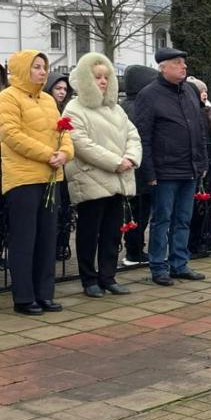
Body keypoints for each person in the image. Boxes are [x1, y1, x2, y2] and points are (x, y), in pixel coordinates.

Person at [0, 51, 74, 314]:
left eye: (44, 67)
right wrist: (48, 154)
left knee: (47, 237)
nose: (43, 72)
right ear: (22, 69)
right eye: (37, 67)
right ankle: (23, 297)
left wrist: (65, 152)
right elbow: (11, 134)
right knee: (24, 238)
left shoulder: (48, 100)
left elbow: (63, 130)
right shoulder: (8, 97)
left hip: (51, 176)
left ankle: (44, 293)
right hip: (23, 179)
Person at [62, 53, 142, 297]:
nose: (103, 81)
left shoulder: (115, 109)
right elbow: (81, 144)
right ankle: (89, 279)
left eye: (106, 77)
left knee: (112, 233)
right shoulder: (74, 108)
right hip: (90, 180)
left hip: (117, 179)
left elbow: (133, 135)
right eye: (97, 77)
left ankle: (108, 277)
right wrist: (116, 162)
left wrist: (131, 158)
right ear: (87, 79)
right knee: (88, 232)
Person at [133, 48, 209, 286]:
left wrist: (202, 162)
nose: (183, 66)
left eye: (184, 62)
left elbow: (199, 129)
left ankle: (179, 263)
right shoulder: (149, 95)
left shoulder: (189, 91)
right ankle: (158, 266)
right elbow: (143, 136)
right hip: (164, 171)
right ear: (163, 67)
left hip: (189, 168)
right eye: (177, 62)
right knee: (162, 220)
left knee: (183, 219)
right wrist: (149, 172)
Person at [120, 65, 159, 265]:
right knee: (139, 212)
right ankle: (134, 251)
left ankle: (134, 249)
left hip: (134, 167)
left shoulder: (125, 106)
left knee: (136, 211)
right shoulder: (138, 107)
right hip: (139, 168)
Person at [185, 76, 211, 258]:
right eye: (200, 91)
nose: (204, 94)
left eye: (205, 91)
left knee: (208, 203)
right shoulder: (194, 113)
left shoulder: (208, 111)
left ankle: (208, 237)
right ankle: (196, 241)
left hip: (210, 160)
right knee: (197, 204)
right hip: (199, 162)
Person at [44, 72, 73, 260]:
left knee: (64, 208)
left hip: (64, 166)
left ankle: (61, 244)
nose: (62, 92)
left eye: (64, 89)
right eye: (58, 88)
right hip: (47, 165)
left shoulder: (66, 110)